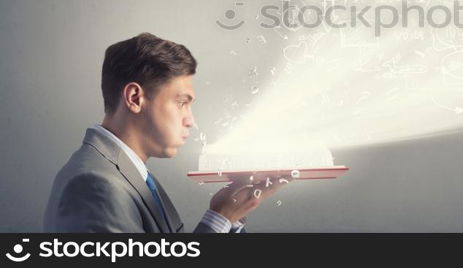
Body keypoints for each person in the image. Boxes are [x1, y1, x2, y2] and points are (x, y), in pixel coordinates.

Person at [43, 32, 285, 233]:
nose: (191, 121)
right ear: (135, 98)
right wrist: (219, 218)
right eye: (181, 103)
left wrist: (231, 217)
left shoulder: (129, 175)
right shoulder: (97, 185)